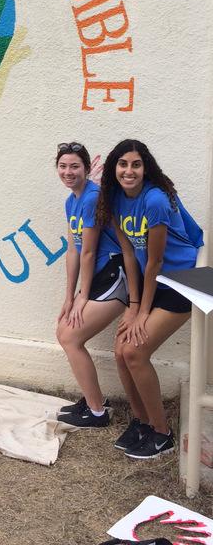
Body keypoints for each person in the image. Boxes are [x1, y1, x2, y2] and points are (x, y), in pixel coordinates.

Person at [96, 139, 203, 458]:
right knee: (120, 351)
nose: (129, 171)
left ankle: (162, 433)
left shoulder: (155, 200)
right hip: (150, 283)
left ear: (146, 168)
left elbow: (155, 261)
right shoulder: (114, 199)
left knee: (135, 353)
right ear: (114, 168)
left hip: (181, 281)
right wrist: (132, 307)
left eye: (136, 164)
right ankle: (142, 422)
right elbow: (129, 251)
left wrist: (142, 314)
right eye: (123, 164)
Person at [55, 142, 131, 428]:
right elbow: (73, 250)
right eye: (63, 166)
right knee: (64, 332)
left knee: (70, 337)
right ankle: (93, 400)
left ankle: (97, 413)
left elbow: (89, 251)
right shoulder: (71, 200)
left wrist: (82, 297)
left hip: (113, 274)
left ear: (86, 168)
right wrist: (68, 296)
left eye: (75, 166)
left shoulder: (92, 197)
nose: (68, 171)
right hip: (96, 276)